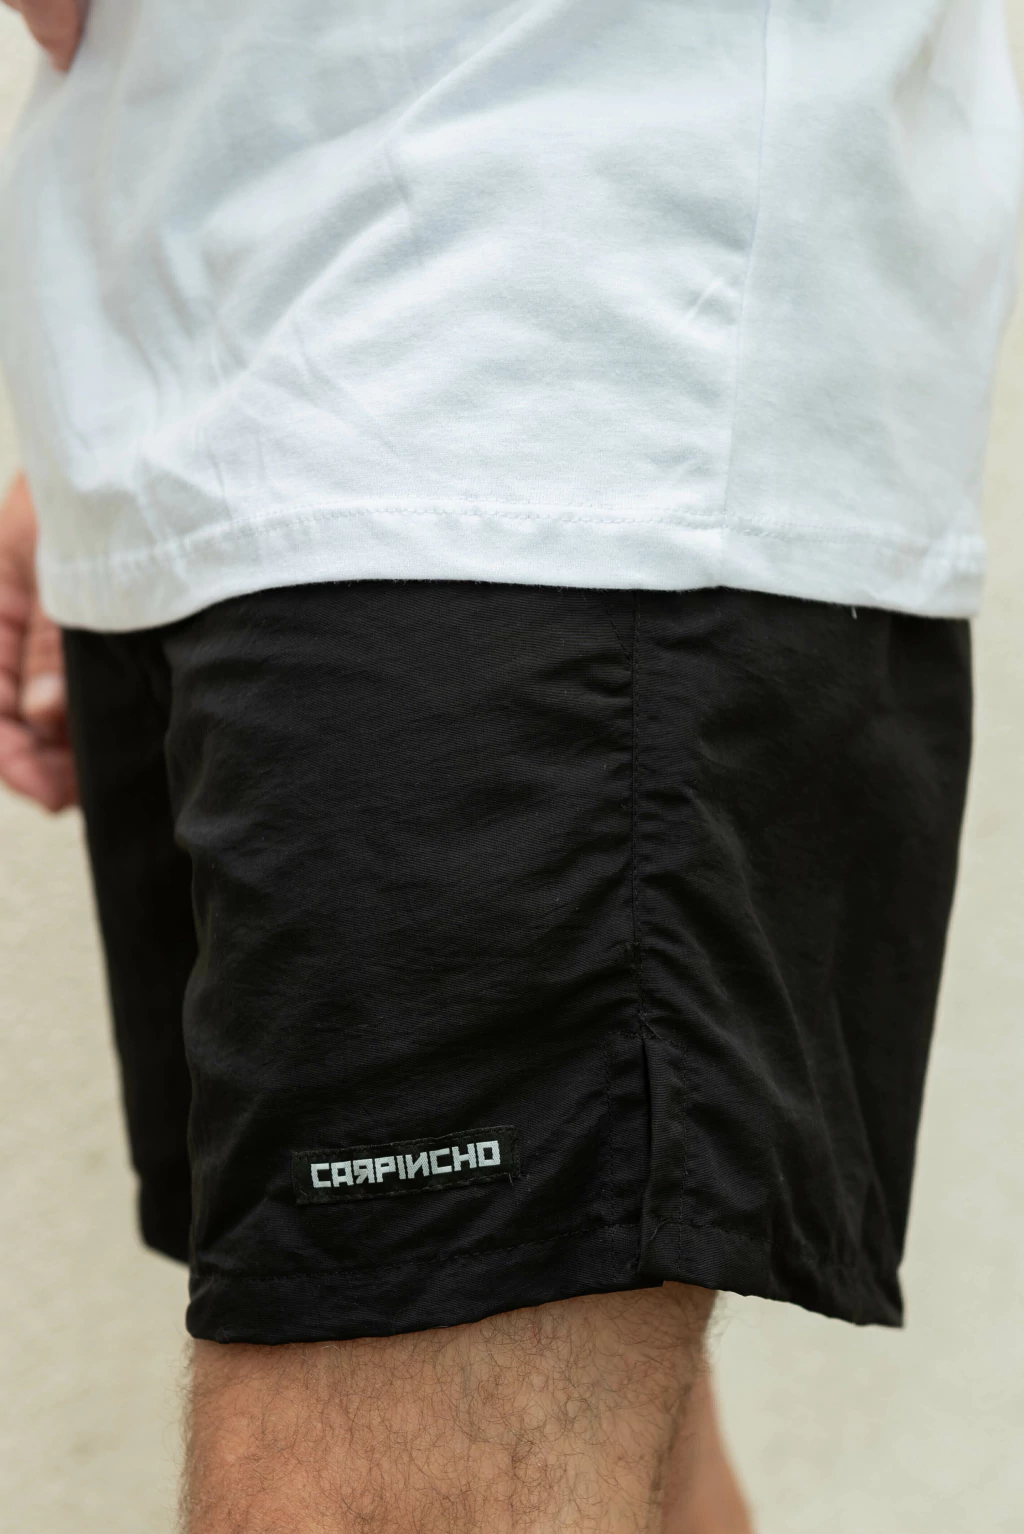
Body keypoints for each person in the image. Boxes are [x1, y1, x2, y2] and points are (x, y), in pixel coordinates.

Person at [0, 1, 1020, 1529]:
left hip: (539, 396)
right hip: (234, 394)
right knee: (572, 1442)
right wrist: (129, 430)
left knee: (402, 1467)